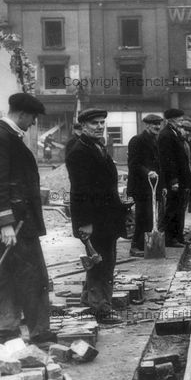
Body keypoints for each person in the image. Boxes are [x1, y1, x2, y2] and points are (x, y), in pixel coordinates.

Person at [0, 93, 54, 345]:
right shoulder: (0, 138)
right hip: (16, 224)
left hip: (18, 221)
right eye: (32, 118)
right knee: (33, 275)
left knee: (8, 273)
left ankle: (4, 328)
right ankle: (39, 332)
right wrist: (5, 222)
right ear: (22, 115)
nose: (33, 123)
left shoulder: (4, 136)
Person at [66, 108, 127, 321]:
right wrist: (85, 223)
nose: (100, 126)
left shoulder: (95, 146)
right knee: (101, 263)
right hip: (94, 220)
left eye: (102, 123)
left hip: (106, 217)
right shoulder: (79, 151)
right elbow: (79, 191)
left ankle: (89, 301)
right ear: (82, 126)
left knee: (102, 261)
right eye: (94, 123)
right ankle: (101, 310)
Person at [126, 114, 163, 257]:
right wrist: (148, 172)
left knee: (150, 217)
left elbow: (159, 164)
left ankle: (145, 245)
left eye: (159, 125)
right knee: (142, 216)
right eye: (155, 125)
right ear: (147, 125)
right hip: (140, 186)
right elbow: (133, 164)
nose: (158, 127)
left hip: (153, 185)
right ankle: (135, 246)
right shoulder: (137, 140)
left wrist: (163, 185)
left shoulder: (155, 140)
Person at [158, 108, 191, 247]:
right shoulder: (166, 135)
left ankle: (178, 236)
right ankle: (170, 239)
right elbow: (168, 160)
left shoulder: (174, 133)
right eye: (179, 119)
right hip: (175, 180)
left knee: (179, 208)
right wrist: (173, 180)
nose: (181, 121)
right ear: (171, 120)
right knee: (172, 209)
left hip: (181, 178)